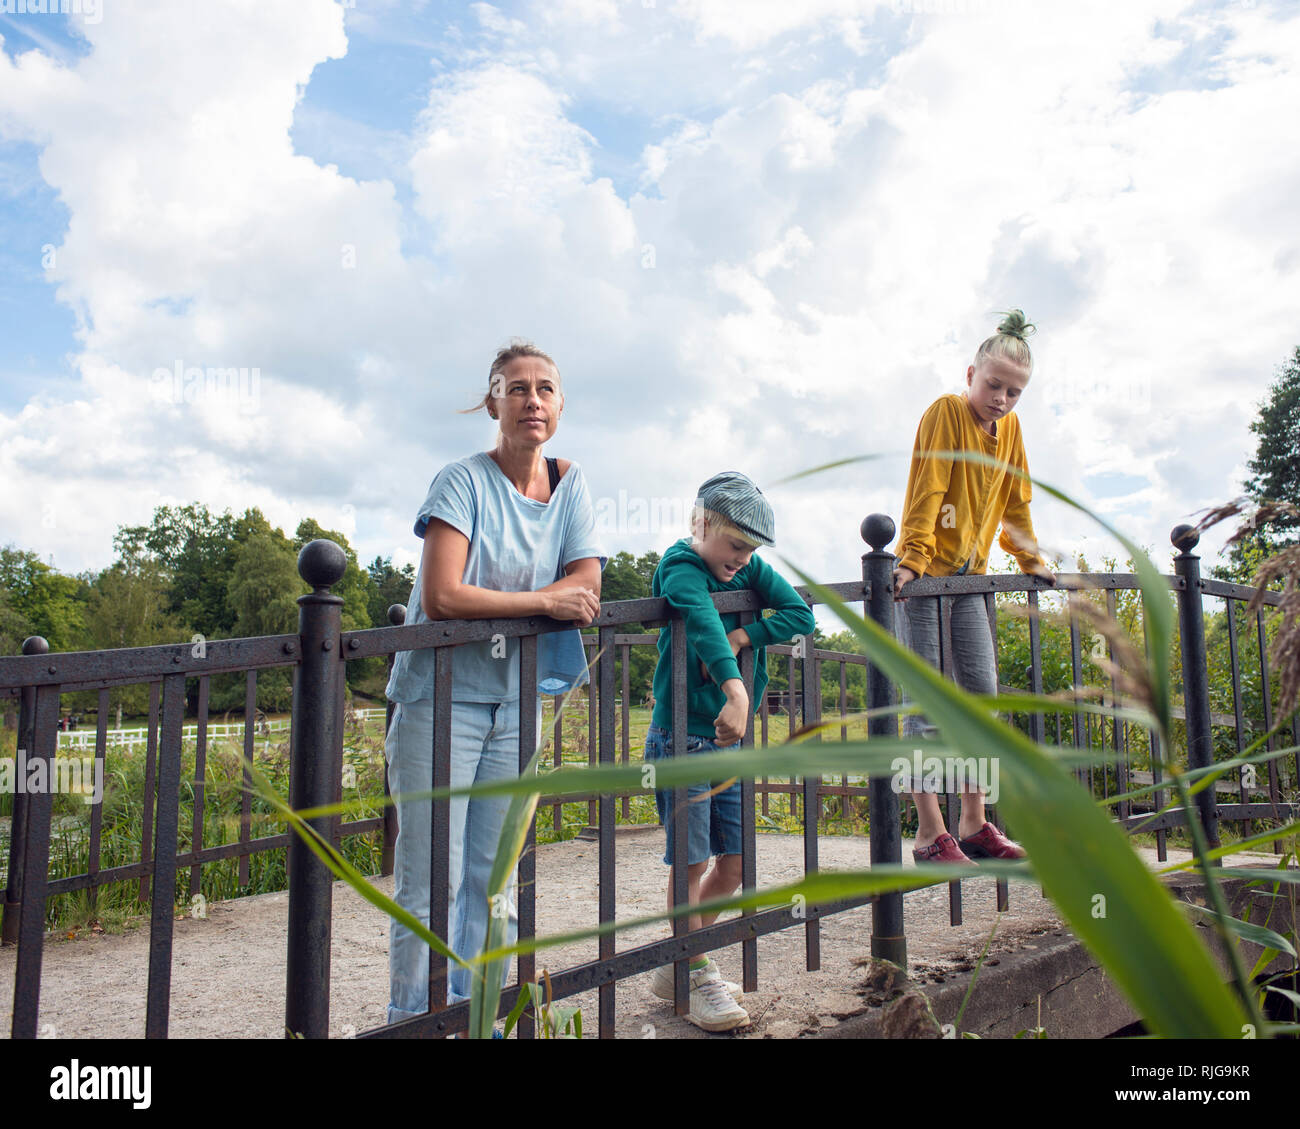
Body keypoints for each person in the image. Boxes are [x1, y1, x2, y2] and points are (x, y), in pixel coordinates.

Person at [383, 341, 605, 1024]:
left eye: (544, 388)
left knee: (491, 880)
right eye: (516, 388)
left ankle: (475, 1020)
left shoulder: (571, 484)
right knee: (430, 880)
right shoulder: (461, 481)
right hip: (439, 698)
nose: (531, 398)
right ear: (493, 402)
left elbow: (588, 584)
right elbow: (444, 594)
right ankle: (415, 1020)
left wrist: (556, 595)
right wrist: (544, 600)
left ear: (560, 406)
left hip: (519, 702)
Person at [642, 472, 816, 1031]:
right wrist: (734, 684)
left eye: (751, 549)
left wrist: (748, 637)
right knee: (691, 862)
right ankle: (693, 971)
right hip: (682, 739)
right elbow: (701, 622)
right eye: (736, 545)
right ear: (701, 525)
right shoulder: (680, 564)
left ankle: (681, 957)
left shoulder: (749, 567)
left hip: (727, 744)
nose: (743, 559)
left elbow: (801, 616)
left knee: (736, 862)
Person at [892, 310, 1056, 865]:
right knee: (927, 708)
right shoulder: (945, 413)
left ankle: (975, 824)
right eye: (994, 385)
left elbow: (1015, 501)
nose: (1002, 399)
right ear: (971, 374)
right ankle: (928, 832)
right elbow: (928, 485)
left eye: (1014, 391)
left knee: (981, 703)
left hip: (971, 580)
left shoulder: (1009, 431)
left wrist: (1030, 558)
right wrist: (912, 559)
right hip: (926, 579)